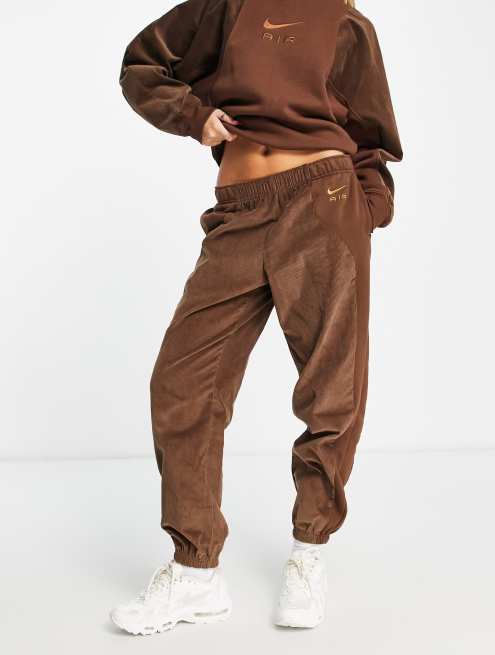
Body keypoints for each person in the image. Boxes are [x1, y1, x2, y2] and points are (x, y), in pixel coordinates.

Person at [110, 0, 402, 634]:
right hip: (239, 210)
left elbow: (372, 139)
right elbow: (142, 64)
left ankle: (309, 551)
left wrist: (364, 212)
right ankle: (195, 571)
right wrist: (193, 116)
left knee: (331, 385)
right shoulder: (228, 7)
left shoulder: (347, 24)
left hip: (324, 201)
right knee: (182, 381)